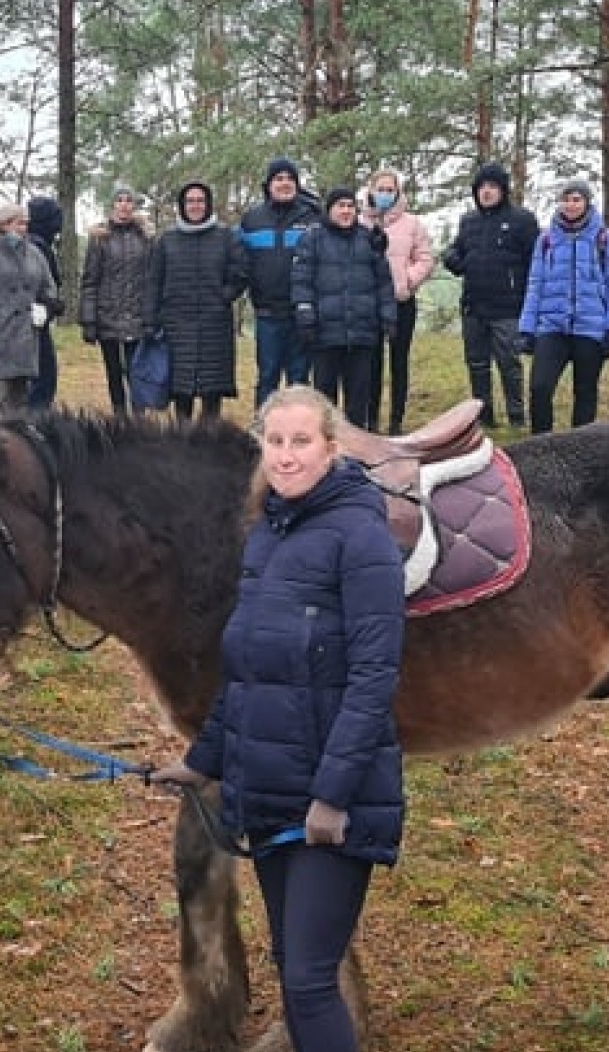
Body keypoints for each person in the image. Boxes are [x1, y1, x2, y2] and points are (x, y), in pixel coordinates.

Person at [152, 385, 406, 1052]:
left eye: (302, 442)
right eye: (275, 442)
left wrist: (332, 795)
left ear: (331, 448)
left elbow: (374, 677)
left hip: (331, 802)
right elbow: (247, 670)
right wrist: (202, 758)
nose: (287, 456)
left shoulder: (361, 535)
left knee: (312, 980)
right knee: (296, 974)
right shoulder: (267, 536)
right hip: (269, 792)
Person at [518, 179, 609, 434]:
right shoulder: (546, 240)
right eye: (566, 199)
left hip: (591, 328)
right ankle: (541, 446)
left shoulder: (605, 238)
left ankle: (582, 451)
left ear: (587, 203)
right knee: (539, 388)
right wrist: (526, 328)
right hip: (552, 327)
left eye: (576, 199)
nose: (570, 204)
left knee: (585, 393)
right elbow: (535, 283)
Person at [439, 162, 538, 430]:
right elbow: (457, 250)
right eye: (482, 187)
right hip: (474, 306)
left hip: (507, 308)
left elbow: (536, 265)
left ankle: (517, 417)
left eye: (492, 186)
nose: (486, 192)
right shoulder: (468, 221)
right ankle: (484, 417)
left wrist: (531, 305)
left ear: (503, 190)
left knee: (509, 365)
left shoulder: (523, 220)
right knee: (477, 364)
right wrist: (452, 258)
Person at [291, 186, 395, 429]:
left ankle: (356, 452)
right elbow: (301, 280)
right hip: (325, 333)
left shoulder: (369, 239)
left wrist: (388, 316)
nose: (346, 211)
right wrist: (305, 313)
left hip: (362, 333)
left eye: (350, 206)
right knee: (324, 398)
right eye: (341, 206)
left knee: (358, 397)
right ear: (330, 210)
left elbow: (384, 282)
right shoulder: (312, 239)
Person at [148, 180, 250, 421]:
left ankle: (208, 446)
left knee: (211, 392)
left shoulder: (225, 237)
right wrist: (150, 319)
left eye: (200, 201)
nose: (195, 206)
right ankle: (183, 446)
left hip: (214, 324)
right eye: (190, 201)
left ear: (208, 204)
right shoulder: (167, 240)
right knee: (181, 392)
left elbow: (242, 272)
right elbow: (154, 281)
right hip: (177, 325)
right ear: (182, 206)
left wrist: (224, 295)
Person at [240, 157, 322, 406]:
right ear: (268, 184)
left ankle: (299, 434)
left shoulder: (313, 217)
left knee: (299, 380)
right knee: (267, 378)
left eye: (290, 179)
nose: (284, 183)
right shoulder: (251, 219)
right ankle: (263, 435)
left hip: (302, 314)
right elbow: (238, 262)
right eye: (279, 178)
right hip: (267, 314)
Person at [0, 204, 62, 414]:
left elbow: (49, 287)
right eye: (20, 223)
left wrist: (45, 307)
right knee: (0, 392)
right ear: (4, 224)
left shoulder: (35, 254)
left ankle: (19, 436)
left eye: (26, 223)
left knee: (22, 393)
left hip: (27, 333)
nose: (24, 228)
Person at [364, 170, 436, 434]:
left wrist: (407, 279)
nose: (385, 194)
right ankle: (371, 419)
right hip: (369, 304)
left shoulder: (412, 224)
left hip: (401, 301)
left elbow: (426, 259)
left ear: (398, 192)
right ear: (370, 191)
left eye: (389, 189)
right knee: (371, 363)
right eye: (380, 189)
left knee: (399, 361)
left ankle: (396, 420)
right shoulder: (360, 223)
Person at [79, 186, 155, 413]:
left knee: (136, 372)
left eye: (129, 201)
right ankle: (120, 417)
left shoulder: (146, 238)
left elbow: (153, 278)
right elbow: (90, 280)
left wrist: (153, 314)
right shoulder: (100, 239)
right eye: (119, 200)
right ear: (112, 205)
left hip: (137, 316)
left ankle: (139, 419)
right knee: (113, 373)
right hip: (108, 316)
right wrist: (89, 321)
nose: (124, 205)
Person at [25, 196, 68, 411]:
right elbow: (38, 286)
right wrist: (52, 305)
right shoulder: (37, 247)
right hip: (33, 321)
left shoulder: (36, 244)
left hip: (33, 320)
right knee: (43, 378)